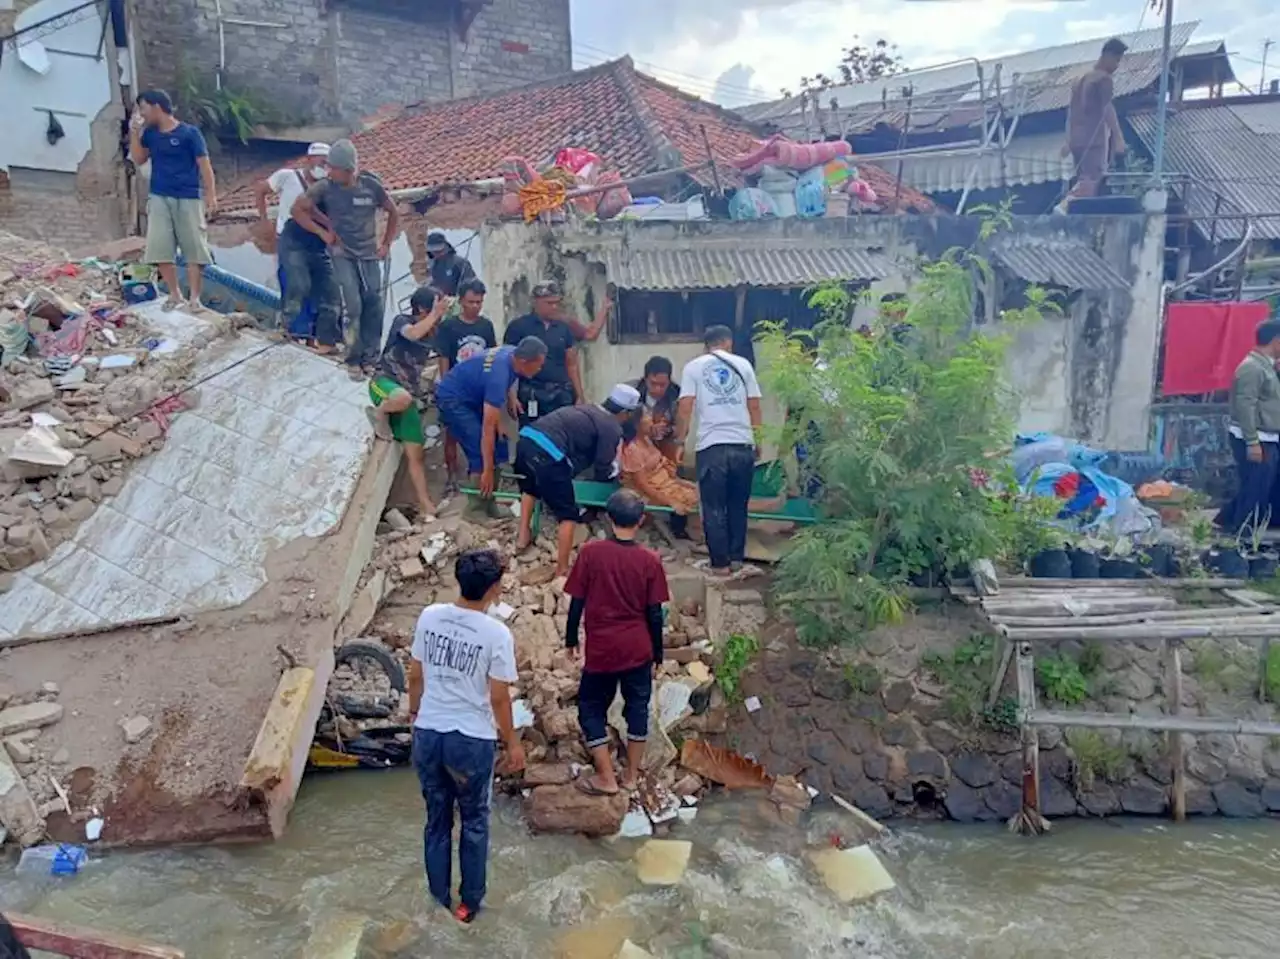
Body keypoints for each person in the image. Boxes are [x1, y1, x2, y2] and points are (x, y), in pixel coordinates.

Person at [408, 548, 524, 924]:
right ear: (494, 588)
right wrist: (513, 742)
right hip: (470, 741)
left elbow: (415, 675)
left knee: (436, 820)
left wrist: (415, 713)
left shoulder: (429, 617)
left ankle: (437, 899)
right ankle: (468, 906)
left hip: (429, 732)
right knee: (474, 822)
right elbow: (498, 697)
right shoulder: (496, 633)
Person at [564, 489, 669, 796]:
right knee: (637, 708)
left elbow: (577, 601)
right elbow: (654, 613)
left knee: (590, 706)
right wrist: (658, 653)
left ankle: (606, 775)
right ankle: (632, 776)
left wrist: (571, 639)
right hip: (638, 649)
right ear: (641, 520)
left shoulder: (590, 553)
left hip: (602, 650)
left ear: (609, 519)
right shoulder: (650, 561)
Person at [291, 138, 400, 375]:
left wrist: (386, 244)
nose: (329, 172)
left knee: (374, 304)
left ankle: (371, 357)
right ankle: (352, 357)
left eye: (333, 168)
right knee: (353, 305)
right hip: (342, 254)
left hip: (369, 254)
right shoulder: (324, 188)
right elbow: (297, 210)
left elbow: (394, 212)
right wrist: (323, 231)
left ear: (348, 170)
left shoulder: (371, 187)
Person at [514, 384, 641, 576]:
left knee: (531, 488)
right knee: (568, 514)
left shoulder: (589, 408)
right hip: (549, 451)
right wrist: (614, 476)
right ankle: (562, 569)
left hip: (526, 438)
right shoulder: (611, 426)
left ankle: (522, 538)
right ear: (624, 412)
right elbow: (603, 465)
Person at [674, 325, 763, 576]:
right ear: (729, 342)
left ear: (706, 345)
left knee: (713, 507)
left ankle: (720, 565)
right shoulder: (744, 365)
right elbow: (754, 406)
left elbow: (685, 407)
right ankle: (737, 560)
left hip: (712, 446)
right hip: (742, 444)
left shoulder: (694, 367)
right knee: (738, 505)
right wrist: (758, 440)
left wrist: (681, 442)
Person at [128, 89, 216, 312]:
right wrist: (134, 134)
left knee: (194, 247)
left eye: (144, 108)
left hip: (188, 196)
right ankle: (175, 295)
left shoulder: (190, 133)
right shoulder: (150, 134)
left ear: (157, 106)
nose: (142, 114)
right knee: (160, 246)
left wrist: (211, 195)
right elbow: (139, 159)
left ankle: (195, 298)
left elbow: (204, 165)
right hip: (159, 195)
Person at [368, 285, 451, 519]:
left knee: (416, 453)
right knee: (402, 398)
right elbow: (413, 334)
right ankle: (380, 413)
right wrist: (436, 314)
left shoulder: (434, 332)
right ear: (424, 308)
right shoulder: (402, 321)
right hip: (385, 384)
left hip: (409, 395)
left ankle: (426, 506)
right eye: (436, 306)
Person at [435, 338, 548, 497]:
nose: (540, 368)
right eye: (538, 364)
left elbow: (504, 384)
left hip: (473, 395)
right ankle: (477, 506)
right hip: (452, 399)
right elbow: (487, 429)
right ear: (524, 361)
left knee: (500, 441)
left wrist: (499, 422)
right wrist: (487, 470)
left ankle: (491, 500)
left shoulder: (512, 353)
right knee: (478, 446)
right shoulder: (498, 376)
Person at [503, 280, 610, 426]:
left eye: (556, 303)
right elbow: (510, 364)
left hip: (560, 394)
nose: (554, 307)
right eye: (549, 303)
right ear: (536, 302)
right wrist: (512, 396)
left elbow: (572, 363)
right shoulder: (518, 327)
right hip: (532, 393)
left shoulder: (564, 326)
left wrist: (579, 396)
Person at [254, 142, 331, 343]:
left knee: (317, 289)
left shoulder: (327, 185)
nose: (323, 166)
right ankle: (291, 330)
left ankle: (311, 335)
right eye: (320, 161)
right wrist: (264, 220)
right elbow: (261, 190)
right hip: (289, 240)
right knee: (296, 285)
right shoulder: (287, 176)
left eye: (327, 162)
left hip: (316, 241)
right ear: (308, 159)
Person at [435, 278, 498, 491]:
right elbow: (443, 359)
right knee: (452, 435)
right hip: (455, 390)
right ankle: (451, 478)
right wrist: (446, 389)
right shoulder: (448, 327)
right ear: (461, 301)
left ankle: (477, 476)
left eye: (479, 302)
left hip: (479, 391)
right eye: (471, 302)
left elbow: (491, 358)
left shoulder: (486, 326)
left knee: (481, 434)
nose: (475, 306)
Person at [1220, 320, 1280, 532]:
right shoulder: (1252, 368)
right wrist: (1252, 441)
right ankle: (1242, 529)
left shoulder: (1266, 366)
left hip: (1269, 437)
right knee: (1256, 487)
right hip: (1258, 437)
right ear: (1276, 341)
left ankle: (1229, 522)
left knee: (1265, 485)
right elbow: (1245, 406)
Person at [1063, 38, 1127, 200]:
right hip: (1093, 141)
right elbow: (1107, 107)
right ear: (1107, 55)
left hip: (1077, 141)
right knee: (1091, 184)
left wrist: (1068, 140)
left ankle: (1071, 208)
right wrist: (1118, 138)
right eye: (1116, 60)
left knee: (1083, 181)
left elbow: (1071, 112)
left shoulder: (1078, 80)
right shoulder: (1103, 79)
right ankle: (1068, 209)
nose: (1117, 66)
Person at [621, 409, 698, 540]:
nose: (650, 419)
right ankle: (684, 534)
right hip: (650, 491)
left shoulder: (648, 441)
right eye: (646, 416)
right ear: (636, 423)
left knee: (702, 491)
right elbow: (642, 485)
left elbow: (663, 470)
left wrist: (680, 482)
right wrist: (670, 501)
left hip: (666, 484)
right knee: (693, 498)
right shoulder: (632, 450)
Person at [629, 355, 681, 462]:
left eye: (662, 385)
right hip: (635, 442)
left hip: (664, 443)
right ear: (645, 379)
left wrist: (666, 430)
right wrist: (644, 429)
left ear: (669, 381)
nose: (657, 389)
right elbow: (619, 422)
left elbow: (682, 428)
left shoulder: (677, 396)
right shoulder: (631, 392)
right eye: (653, 383)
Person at [427, 231, 477, 297]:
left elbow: (472, 285)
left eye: (439, 251)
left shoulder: (460, 263)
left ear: (446, 247)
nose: (437, 254)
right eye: (434, 252)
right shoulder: (432, 264)